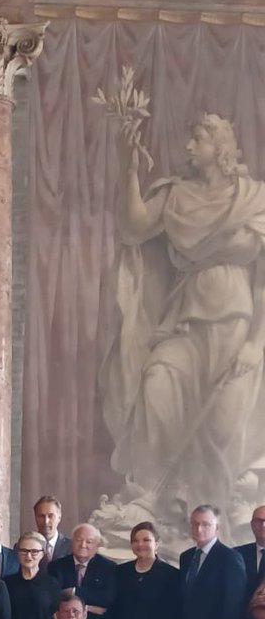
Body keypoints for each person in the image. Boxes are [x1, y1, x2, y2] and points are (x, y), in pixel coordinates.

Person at [103, 114, 265, 521]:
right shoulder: (178, 195)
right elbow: (134, 226)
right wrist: (130, 168)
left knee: (225, 422)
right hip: (186, 318)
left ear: (220, 147)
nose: (189, 147)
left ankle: (219, 512)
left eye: (197, 138)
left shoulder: (253, 198)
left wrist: (256, 343)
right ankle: (155, 499)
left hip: (236, 324)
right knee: (157, 381)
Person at [49, 524, 117, 619]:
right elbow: (54, 597)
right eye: (78, 540)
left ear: (97, 545)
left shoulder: (109, 567)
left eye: (89, 542)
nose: (83, 545)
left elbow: (107, 598)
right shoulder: (56, 566)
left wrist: (73, 591)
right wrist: (88, 607)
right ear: (72, 542)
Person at [33, 496, 71, 562]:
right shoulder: (22, 548)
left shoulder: (71, 547)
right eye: (41, 516)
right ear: (35, 517)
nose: (46, 521)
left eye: (50, 516)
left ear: (59, 518)